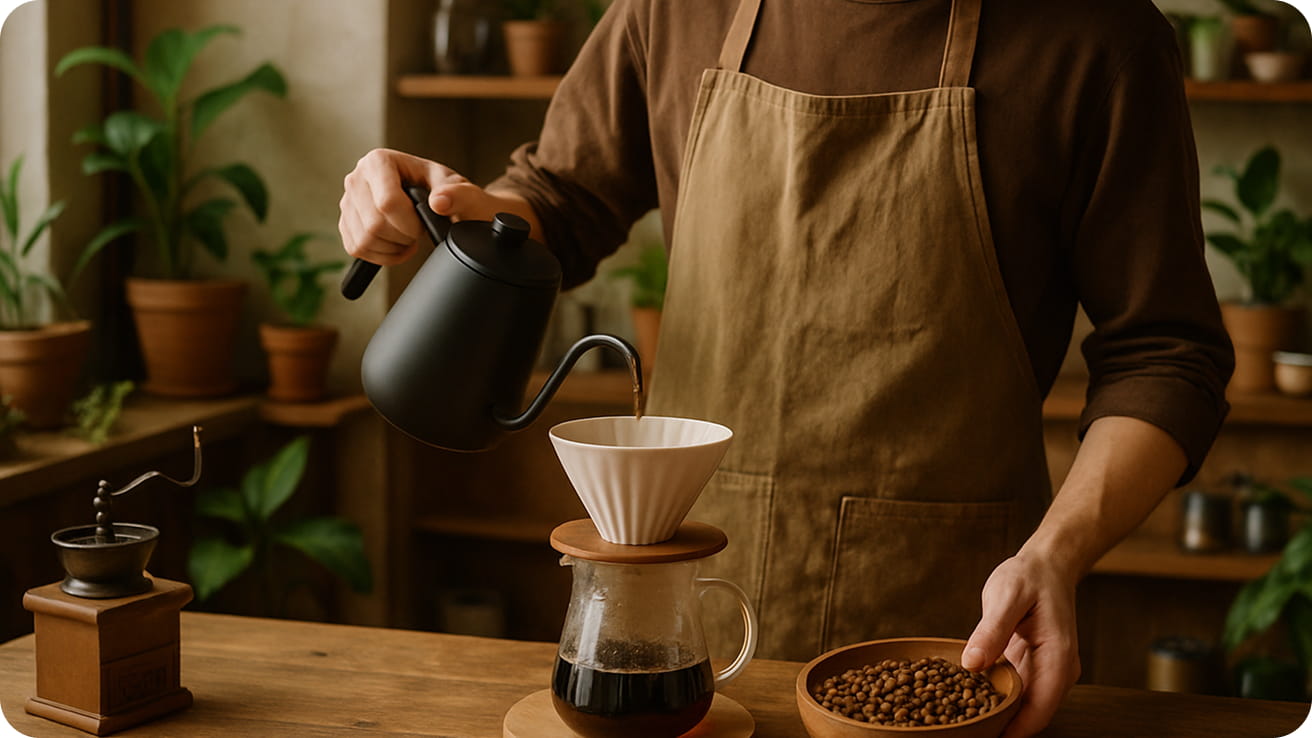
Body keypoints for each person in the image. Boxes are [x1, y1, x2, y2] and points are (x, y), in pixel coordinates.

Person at [339, 0, 1234, 735]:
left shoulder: (1100, 39)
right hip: (680, 632)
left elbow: (1166, 354)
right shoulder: (674, 9)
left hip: (951, 648)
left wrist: (1058, 555)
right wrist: (449, 210)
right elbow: (559, 204)